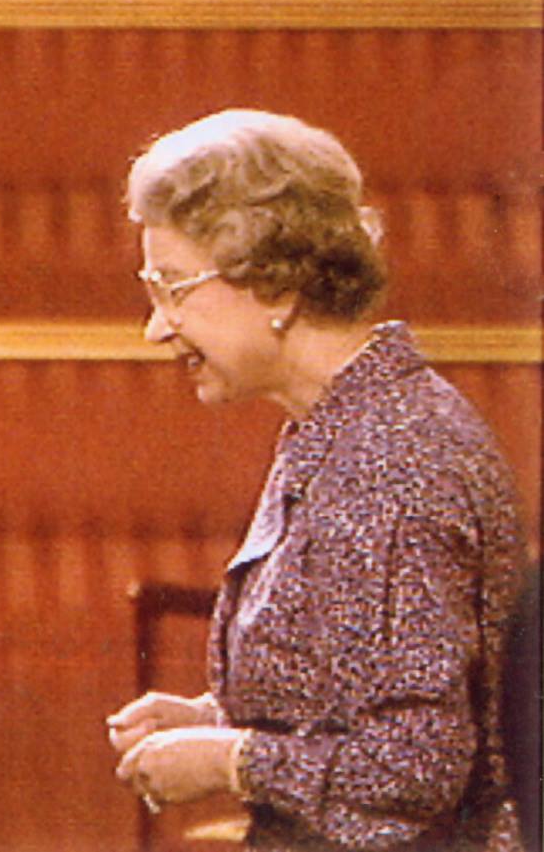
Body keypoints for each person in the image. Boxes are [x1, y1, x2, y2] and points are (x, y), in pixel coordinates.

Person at [105, 110, 527, 850]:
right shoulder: (345, 425)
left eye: (174, 287)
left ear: (275, 283)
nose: (157, 327)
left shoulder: (393, 460)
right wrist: (218, 717)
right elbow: (358, 695)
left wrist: (231, 759)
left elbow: (411, 767)